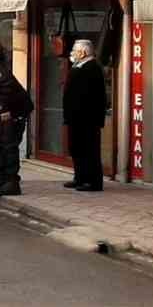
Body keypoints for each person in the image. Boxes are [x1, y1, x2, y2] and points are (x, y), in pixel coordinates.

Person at [0, 42, 33, 197]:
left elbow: (6, 85)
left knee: (8, 143)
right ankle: (0, 178)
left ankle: (11, 181)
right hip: (3, 109)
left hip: (14, 109)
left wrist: (4, 108)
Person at [63, 39, 108, 192]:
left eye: (75, 50)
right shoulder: (78, 66)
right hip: (76, 118)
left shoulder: (92, 68)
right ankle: (80, 177)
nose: (72, 53)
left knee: (90, 151)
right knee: (77, 149)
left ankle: (93, 181)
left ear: (83, 52)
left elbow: (92, 97)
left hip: (87, 119)